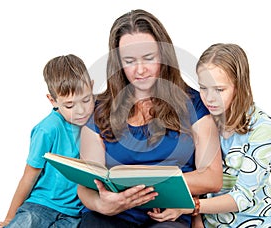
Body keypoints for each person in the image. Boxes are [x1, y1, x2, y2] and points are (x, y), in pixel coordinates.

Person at [77, 9, 222, 228]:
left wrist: (146, 179)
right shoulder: (99, 111)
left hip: (168, 217)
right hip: (113, 217)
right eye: (129, 61)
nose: (141, 70)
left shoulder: (194, 103)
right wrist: (101, 203)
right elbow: (86, 183)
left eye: (148, 58)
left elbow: (212, 178)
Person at [192, 43, 271, 227]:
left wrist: (193, 207)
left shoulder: (263, 127)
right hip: (211, 220)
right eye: (203, 88)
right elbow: (194, 180)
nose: (209, 98)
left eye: (219, 90)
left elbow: (242, 198)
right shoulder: (202, 121)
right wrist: (195, 219)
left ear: (238, 86)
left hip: (258, 218)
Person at [0, 54, 95, 228]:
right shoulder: (48, 129)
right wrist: (9, 218)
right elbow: (28, 177)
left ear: (92, 88)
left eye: (86, 100)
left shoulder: (96, 123)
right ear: (53, 101)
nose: (81, 111)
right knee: (24, 223)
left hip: (73, 214)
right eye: (70, 105)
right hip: (40, 205)